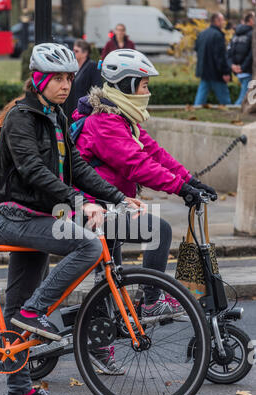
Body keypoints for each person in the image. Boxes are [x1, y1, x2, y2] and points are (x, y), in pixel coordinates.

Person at [0, 43, 144, 395]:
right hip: (11, 216)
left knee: (19, 300)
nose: (65, 85)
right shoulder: (21, 118)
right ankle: (34, 312)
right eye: (57, 78)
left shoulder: (56, 116)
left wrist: (117, 197)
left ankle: (19, 387)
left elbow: (79, 170)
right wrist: (80, 203)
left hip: (37, 216)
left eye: (69, 78)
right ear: (38, 79)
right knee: (87, 245)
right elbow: (33, 171)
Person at [71, 48, 217, 320]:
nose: (147, 92)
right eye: (144, 85)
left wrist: (191, 181)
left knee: (109, 281)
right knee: (158, 230)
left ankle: (99, 349)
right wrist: (180, 189)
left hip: (108, 207)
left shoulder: (122, 120)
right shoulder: (104, 123)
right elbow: (137, 164)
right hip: (86, 210)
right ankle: (151, 302)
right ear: (127, 84)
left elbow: (155, 154)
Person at [194, 13, 232, 106]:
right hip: (216, 73)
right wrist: (225, 72)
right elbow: (220, 56)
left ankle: (195, 110)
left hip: (204, 71)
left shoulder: (202, 34)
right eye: (222, 20)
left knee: (201, 96)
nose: (223, 22)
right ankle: (230, 113)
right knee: (225, 99)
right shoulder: (218, 35)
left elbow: (196, 49)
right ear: (217, 21)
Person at [227, 11, 255, 105]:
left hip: (239, 71)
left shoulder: (235, 35)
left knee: (248, 97)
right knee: (244, 98)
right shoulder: (252, 34)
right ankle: (234, 114)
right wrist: (242, 67)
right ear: (251, 20)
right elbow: (252, 54)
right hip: (247, 71)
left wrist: (232, 66)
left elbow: (229, 52)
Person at [73, 39, 103, 108]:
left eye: (76, 51)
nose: (73, 53)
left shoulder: (92, 66)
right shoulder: (73, 65)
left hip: (84, 107)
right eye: (73, 50)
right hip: (73, 106)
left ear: (85, 53)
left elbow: (97, 88)